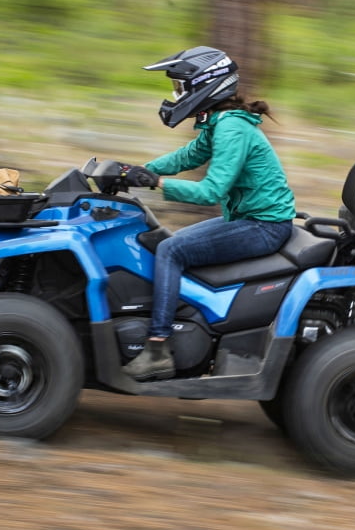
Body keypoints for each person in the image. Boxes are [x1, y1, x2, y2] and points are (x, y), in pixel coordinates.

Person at [117, 46, 296, 381]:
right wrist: (137, 170)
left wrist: (156, 183)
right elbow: (188, 156)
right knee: (171, 243)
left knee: (170, 250)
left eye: (181, 88)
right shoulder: (220, 122)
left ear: (205, 85)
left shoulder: (232, 127)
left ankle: (157, 349)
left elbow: (211, 191)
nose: (176, 95)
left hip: (264, 226)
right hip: (248, 220)